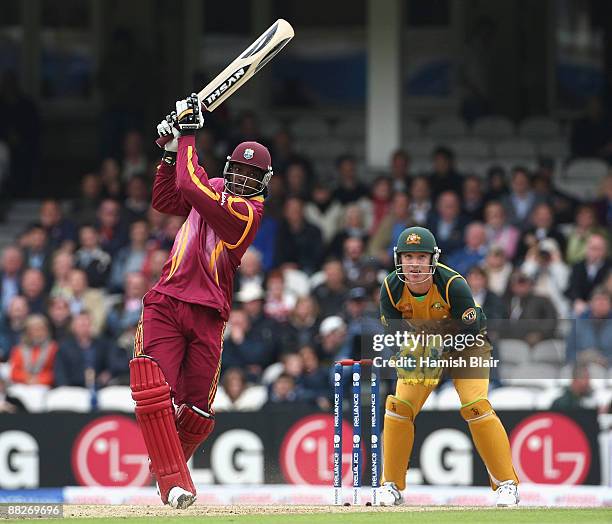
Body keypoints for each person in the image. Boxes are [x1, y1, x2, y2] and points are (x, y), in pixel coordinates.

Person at [130, 95, 271, 509]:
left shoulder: (247, 215)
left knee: (197, 415)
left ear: (263, 181)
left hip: (209, 314)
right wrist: (171, 154)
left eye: (252, 174)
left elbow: (191, 185)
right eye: (239, 170)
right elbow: (168, 200)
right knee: (153, 388)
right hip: (168, 300)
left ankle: (165, 467)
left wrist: (188, 134)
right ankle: (174, 486)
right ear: (228, 168)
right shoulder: (212, 185)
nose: (243, 179)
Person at [377, 226, 519, 507]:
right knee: (398, 407)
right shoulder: (391, 288)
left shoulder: (453, 284)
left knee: (475, 405)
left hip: (467, 344)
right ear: (399, 259)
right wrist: (407, 352)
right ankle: (390, 485)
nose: (414, 264)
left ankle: (507, 484)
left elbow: (473, 327)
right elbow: (394, 334)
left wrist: (439, 347)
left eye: (421, 257)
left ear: (433, 259)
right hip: (424, 345)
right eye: (408, 257)